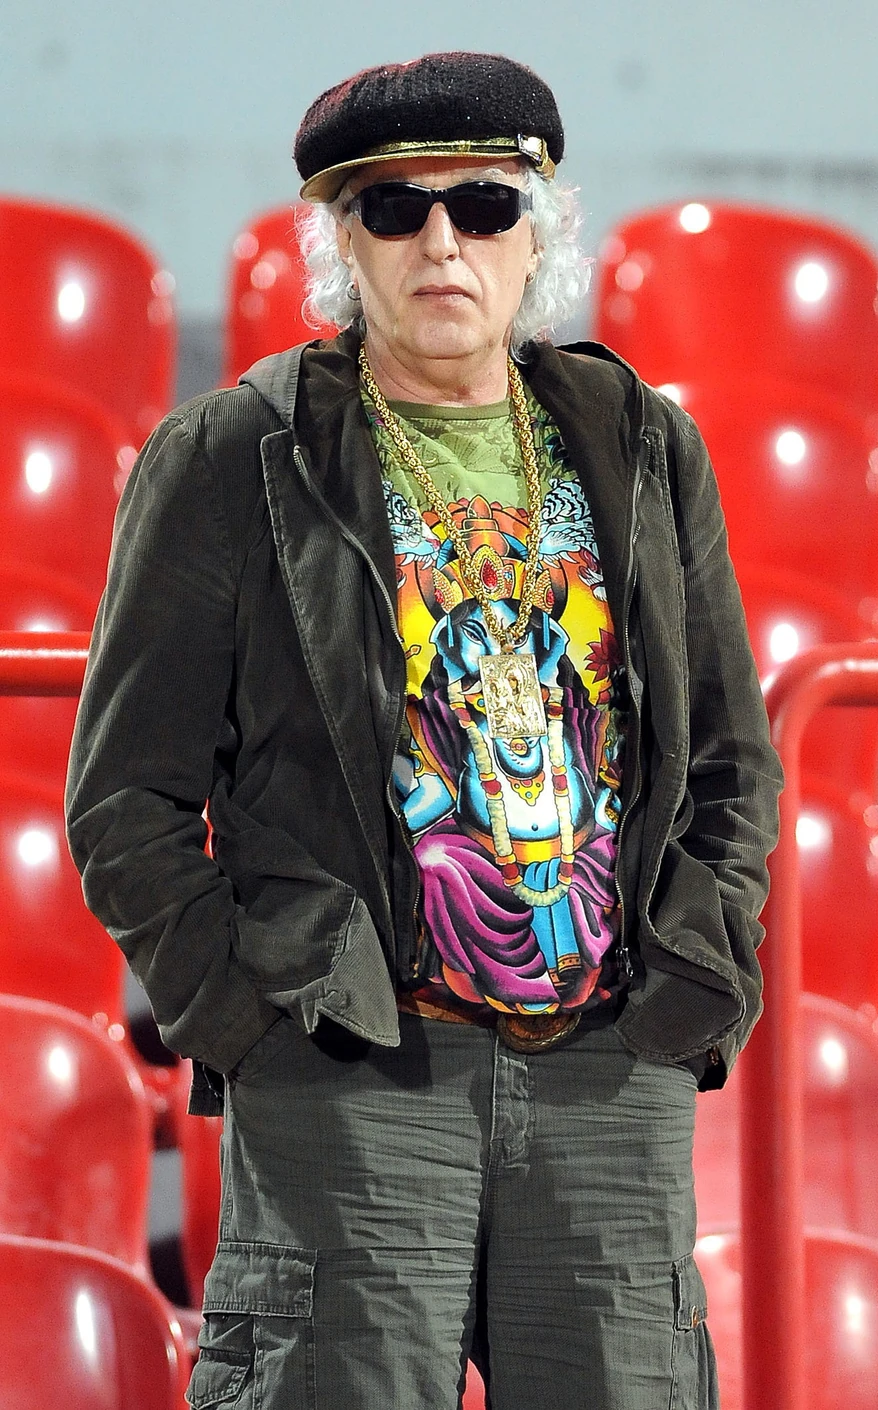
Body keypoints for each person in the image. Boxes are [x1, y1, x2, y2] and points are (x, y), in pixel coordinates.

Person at [66, 51, 783, 1410]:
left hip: (610, 1071)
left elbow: (730, 764)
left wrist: (697, 967)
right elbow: (125, 799)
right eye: (394, 209)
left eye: (484, 205)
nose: (442, 242)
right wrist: (253, 1020)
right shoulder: (233, 454)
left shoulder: (642, 444)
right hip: (354, 1069)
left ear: (537, 234)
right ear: (343, 242)